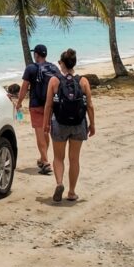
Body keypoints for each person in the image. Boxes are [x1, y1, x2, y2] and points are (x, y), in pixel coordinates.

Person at [43, 48, 96, 202]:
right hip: (78, 124)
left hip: (59, 123)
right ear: (74, 63)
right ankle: (72, 192)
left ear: (62, 64)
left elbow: (48, 105)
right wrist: (92, 124)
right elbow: (90, 105)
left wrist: (46, 124)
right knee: (74, 159)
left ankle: (59, 183)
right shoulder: (83, 81)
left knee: (58, 157)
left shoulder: (54, 81)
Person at [15, 45, 58, 175]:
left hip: (36, 105)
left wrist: (19, 103)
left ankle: (45, 162)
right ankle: (43, 158)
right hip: (50, 106)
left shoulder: (31, 68)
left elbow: (24, 88)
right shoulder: (53, 68)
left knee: (40, 134)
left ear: (37, 55)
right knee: (46, 132)